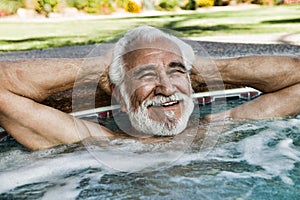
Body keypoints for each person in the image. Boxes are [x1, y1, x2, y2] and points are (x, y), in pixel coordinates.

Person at [0, 25, 299, 150]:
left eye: (175, 72)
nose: (166, 88)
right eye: (146, 76)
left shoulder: (225, 125)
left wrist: (195, 71)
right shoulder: (97, 142)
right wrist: (102, 72)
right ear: (116, 91)